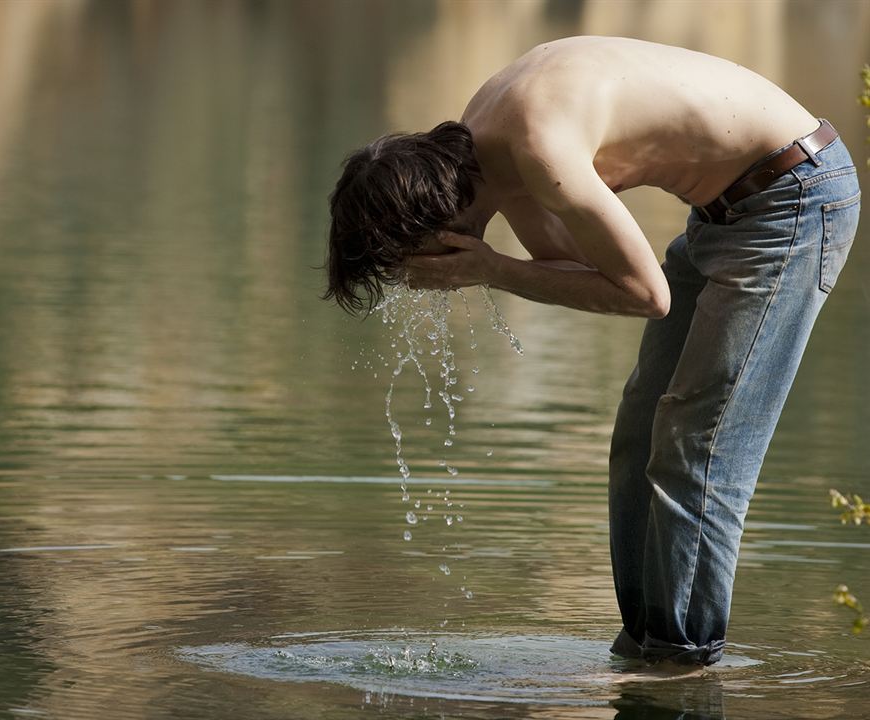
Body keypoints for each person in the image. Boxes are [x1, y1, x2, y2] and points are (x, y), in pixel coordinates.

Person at [323, 36, 861, 666]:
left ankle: (683, 662)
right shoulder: (487, 143)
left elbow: (643, 295)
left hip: (794, 197)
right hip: (724, 213)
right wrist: (497, 264)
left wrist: (491, 269)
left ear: (441, 226)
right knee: (638, 434)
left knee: (696, 443)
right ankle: (644, 645)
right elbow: (576, 266)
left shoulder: (539, 146)